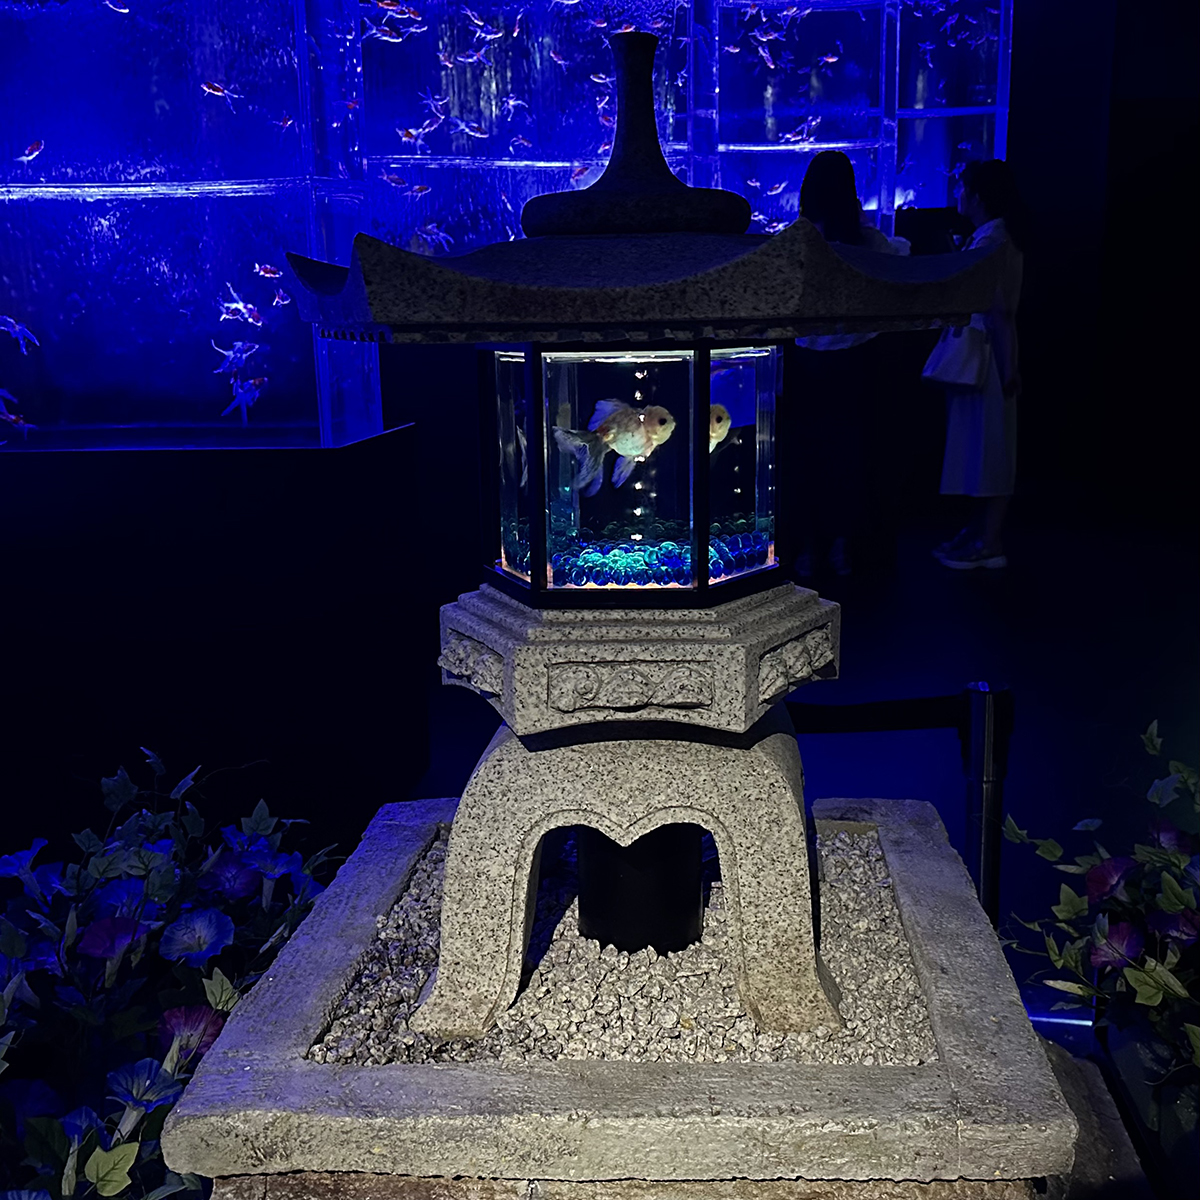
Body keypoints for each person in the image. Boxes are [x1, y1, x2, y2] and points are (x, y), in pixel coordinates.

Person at [790, 151, 906, 578]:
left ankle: (806, 547)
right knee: (853, 452)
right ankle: (844, 545)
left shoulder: (797, 242)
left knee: (804, 454)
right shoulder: (870, 242)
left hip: (805, 359)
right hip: (859, 357)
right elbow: (897, 270)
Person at [927, 159, 1025, 570]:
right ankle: (979, 533)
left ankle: (989, 540)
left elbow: (999, 310)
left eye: (962, 188)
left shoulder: (992, 240)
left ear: (978, 197)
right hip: (985, 356)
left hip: (987, 357)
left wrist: (1007, 368)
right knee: (983, 449)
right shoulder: (990, 236)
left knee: (991, 450)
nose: (957, 194)